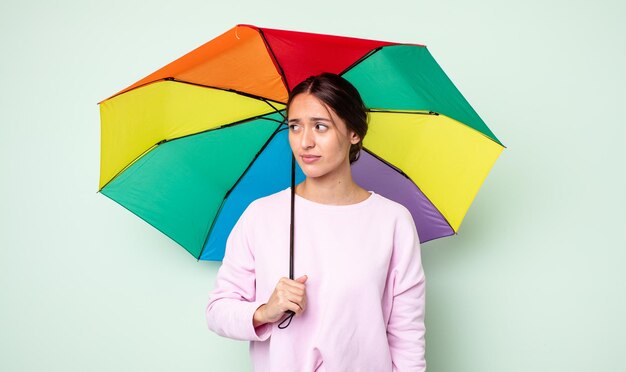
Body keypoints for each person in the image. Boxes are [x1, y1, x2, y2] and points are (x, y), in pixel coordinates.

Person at [206, 73, 426, 371]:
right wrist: (265, 311)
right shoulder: (262, 215)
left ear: (354, 133)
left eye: (320, 127)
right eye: (295, 127)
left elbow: (407, 335)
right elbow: (218, 311)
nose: (305, 142)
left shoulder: (392, 220)